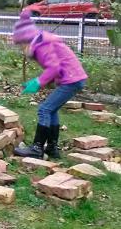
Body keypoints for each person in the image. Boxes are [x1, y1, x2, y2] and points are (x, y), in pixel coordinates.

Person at [12, 10, 88, 159]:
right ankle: (52, 148)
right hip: (75, 78)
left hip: (71, 80)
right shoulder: (43, 41)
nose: (21, 49)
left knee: (44, 109)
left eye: (21, 45)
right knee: (51, 110)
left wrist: (38, 82)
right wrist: (40, 82)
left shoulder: (41, 45)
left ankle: (37, 148)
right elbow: (57, 65)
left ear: (26, 40)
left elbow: (54, 68)